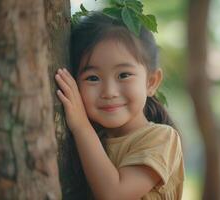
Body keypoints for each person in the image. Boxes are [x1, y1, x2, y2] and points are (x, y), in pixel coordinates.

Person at [55, 11, 184, 200]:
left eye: (123, 75)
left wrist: (81, 125)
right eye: (92, 78)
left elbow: (114, 194)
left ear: (151, 82)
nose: (109, 91)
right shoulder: (91, 141)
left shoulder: (161, 138)